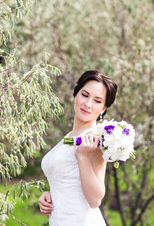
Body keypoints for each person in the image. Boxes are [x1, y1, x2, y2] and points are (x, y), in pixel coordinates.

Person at [39, 70, 118, 225]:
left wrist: (82, 156)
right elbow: (69, 180)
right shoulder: (71, 136)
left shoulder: (94, 141)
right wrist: (50, 194)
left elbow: (95, 199)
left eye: (97, 100)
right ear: (76, 94)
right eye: (85, 95)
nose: (87, 104)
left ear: (103, 109)